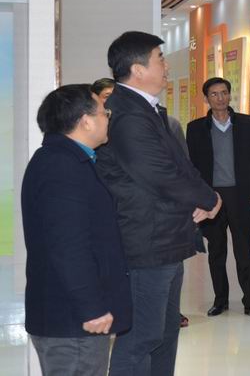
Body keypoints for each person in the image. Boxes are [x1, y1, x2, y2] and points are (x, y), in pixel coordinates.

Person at [95, 31, 221, 376]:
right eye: (160, 59)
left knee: (164, 333)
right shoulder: (127, 114)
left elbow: (181, 164)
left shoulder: (146, 109)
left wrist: (209, 197)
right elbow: (159, 173)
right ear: (138, 69)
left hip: (167, 238)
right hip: (147, 242)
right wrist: (209, 198)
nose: (166, 66)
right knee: (141, 338)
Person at [21, 84, 132, 376]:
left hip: (70, 318)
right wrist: (91, 307)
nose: (108, 118)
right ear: (85, 121)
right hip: (72, 322)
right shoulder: (61, 167)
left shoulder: (68, 160)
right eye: (104, 113)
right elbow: (68, 245)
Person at [92, 77, 193, 327]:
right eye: (106, 99)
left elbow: (181, 170)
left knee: (163, 304)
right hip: (125, 223)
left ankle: (167, 313)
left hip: (163, 227)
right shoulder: (97, 139)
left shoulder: (166, 124)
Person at [186, 77, 250, 320]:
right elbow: (192, 167)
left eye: (224, 93)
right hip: (211, 198)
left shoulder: (246, 123)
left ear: (230, 95)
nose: (220, 98)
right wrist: (198, 198)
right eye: (214, 94)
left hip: (241, 195)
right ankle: (220, 300)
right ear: (206, 99)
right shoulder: (196, 128)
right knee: (217, 251)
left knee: (245, 251)